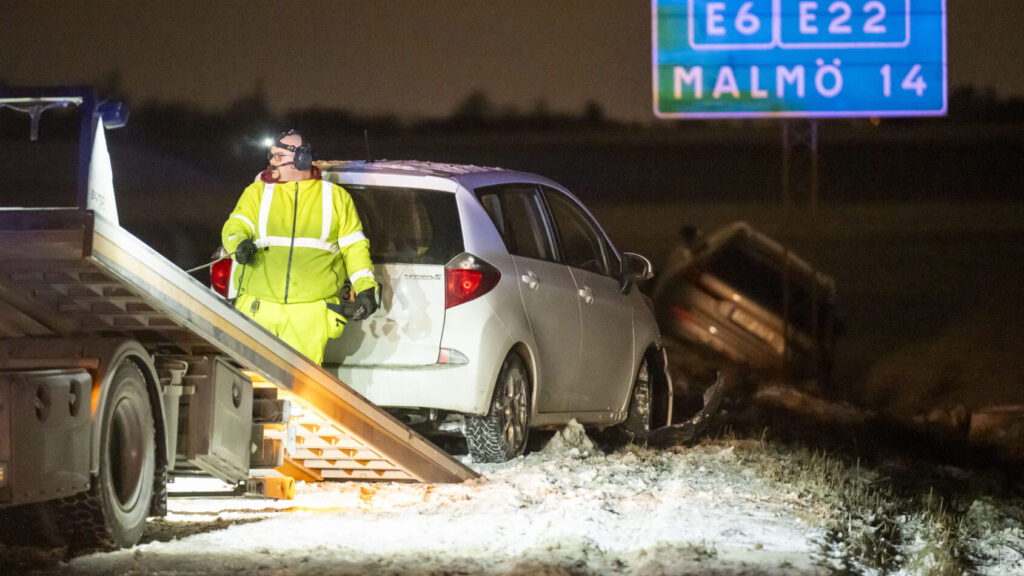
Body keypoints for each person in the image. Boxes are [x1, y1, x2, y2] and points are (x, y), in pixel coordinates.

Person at [221, 130, 378, 364]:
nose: (271, 161)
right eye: (271, 155)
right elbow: (235, 225)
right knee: (249, 388)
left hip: (309, 317)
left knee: (299, 391)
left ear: (300, 159)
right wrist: (239, 243)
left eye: (277, 156)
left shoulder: (336, 198)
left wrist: (365, 289)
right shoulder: (257, 192)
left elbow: (354, 248)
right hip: (258, 309)